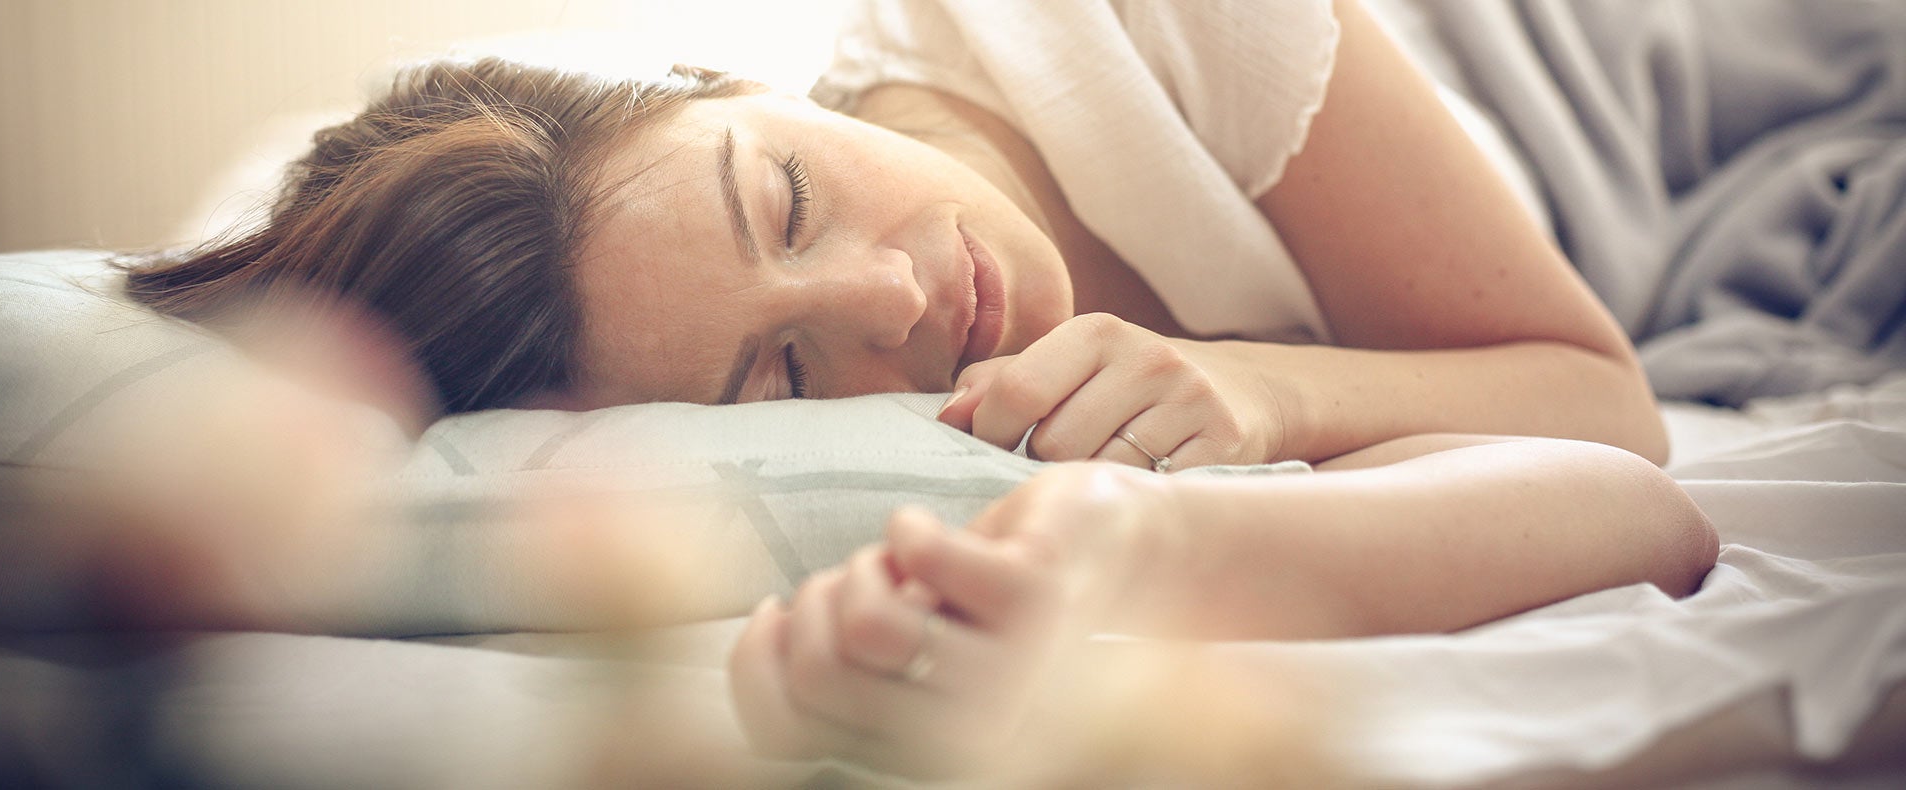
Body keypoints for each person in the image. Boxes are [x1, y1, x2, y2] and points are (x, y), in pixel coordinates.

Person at [118, 0, 1714, 780]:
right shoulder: (923, 452)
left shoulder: (1126, 20)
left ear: (735, 84)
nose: (896, 302)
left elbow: (1605, 406)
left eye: (788, 199)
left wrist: (1260, 395)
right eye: (786, 370)